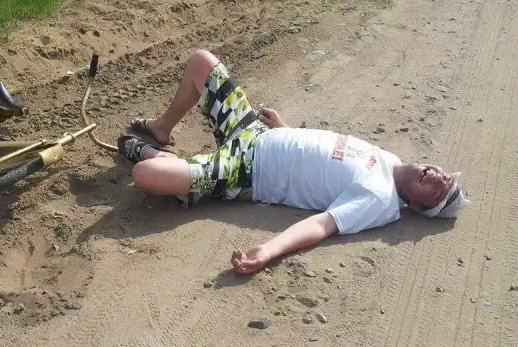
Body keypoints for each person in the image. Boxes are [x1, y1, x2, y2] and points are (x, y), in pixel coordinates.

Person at [118, 50, 469, 275]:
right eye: (445, 176)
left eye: (439, 191)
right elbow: (324, 151)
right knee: (201, 61)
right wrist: (285, 130)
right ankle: (161, 129)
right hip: (254, 132)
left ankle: (159, 158)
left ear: (417, 206)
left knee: (146, 173)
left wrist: (267, 251)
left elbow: (322, 225)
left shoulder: (380, 200)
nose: (438, 178)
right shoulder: (391, 160)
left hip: (246, 170)